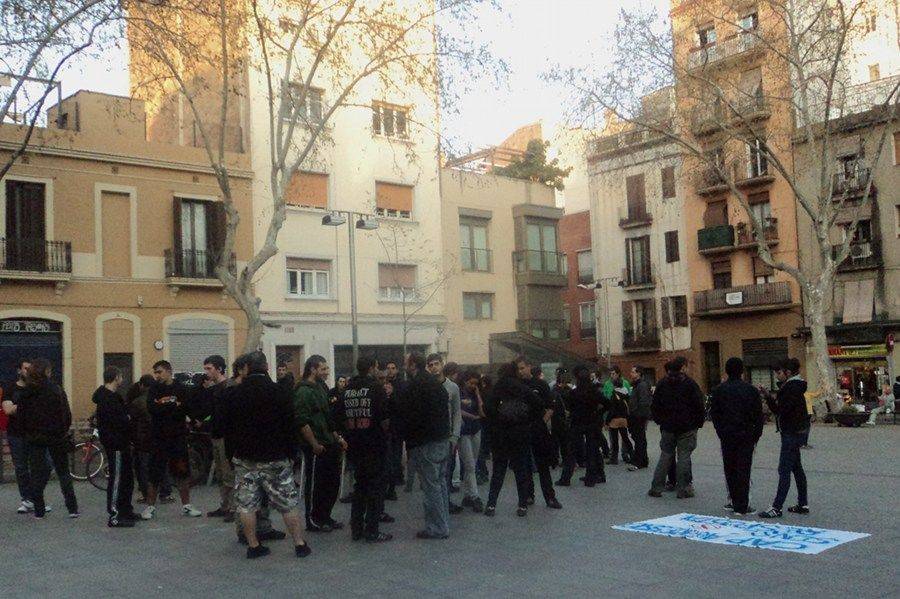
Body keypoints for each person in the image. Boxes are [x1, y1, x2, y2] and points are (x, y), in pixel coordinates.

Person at [216, 351, 311, 559]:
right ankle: (299, 543)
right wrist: (291, 453)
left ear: (246, 369)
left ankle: (253, 545)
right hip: (275, 457)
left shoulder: (233, 394)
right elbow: (291, 425)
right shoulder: (280, 392)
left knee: (247, 505)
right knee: (287, 503)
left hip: (245, 458)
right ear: (266, 368)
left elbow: (220, 428)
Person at [334, 356, 393, 543]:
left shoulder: (347, 390)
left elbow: (336, 417)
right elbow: (385, 418)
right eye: (377, 367)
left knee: (360, 487)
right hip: (374, 445)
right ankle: (372, 530)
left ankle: (356, 528)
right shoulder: (376, 388)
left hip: (354, 445)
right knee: (375, 488)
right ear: (371, 368)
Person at [17, 358, 78, 519]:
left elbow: (21, 417)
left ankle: (39, 511)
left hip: (35, 438)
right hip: (56, 437)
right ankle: (72, 508)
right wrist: (62, 430)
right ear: (47, 372)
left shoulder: (26, 392)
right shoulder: (56, 390)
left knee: (37, 474)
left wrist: (28, 433)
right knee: (63, 472)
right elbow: (66, 414)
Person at [141, 360, 202, 520]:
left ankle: (187, 506)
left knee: (182, 472)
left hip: (177, 439)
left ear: (169, 371)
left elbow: (185, 408)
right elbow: (151, 408)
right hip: (158, 438)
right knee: (154, 473)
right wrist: (171, 407)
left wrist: (167, 408)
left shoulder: (180, 388)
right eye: (155, 373)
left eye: (159, 372)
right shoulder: (154, 389)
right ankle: (150, 507)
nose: (157, 375)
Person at [399, 352, 451, 539]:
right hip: (442, 438)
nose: (404, 365)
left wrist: (408, 440)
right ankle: (443, 522)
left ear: (412, 364)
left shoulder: (416, 386)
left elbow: (412, 416)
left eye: (406, 362)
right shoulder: (435, 383)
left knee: (431, 486)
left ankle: (437, 527)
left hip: (426, 441)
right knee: (440, 482)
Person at [295, 355, 346, 532]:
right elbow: (302, 421)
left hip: (329, 442)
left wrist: (337, 437)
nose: (326, 372)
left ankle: (325, 515)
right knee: (315, 483)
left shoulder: (322, 387)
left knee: (331, 483)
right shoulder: (303, 391)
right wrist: (314, 444)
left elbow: (328, 417)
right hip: (316, 445)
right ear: (313, 369)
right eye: (323, 369)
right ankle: (313, 520)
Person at [709, 358, 764, 515]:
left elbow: (715, 414)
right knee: (744, 469)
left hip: (727, 435)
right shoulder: (751, 390)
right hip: (746, 434)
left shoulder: (719, 390)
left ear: (726, 371)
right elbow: (758, 415)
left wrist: (720, 431)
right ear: (742, 371)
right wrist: (756, 435)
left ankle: (733, 500)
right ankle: (742, 504)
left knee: (730, 468)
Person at [759, 358, 811, 518]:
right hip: (798, 431)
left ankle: (777, 506)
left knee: (784, 469)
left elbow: (780, 410)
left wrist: (768, 397)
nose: (776, 376)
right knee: (797, 468)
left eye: (779, 373)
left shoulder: (789, 388)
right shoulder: (796, 386)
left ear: (788, 373)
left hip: (791, 433)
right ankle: (803, 503)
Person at [483, 361, 536, 517]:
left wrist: (497, 418)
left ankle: (491, 505)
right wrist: (527, 418)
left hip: (500, 434)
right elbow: (538, 404)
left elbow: (487, 408)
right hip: (520, 432)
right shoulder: (522, 387)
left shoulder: (497, 387)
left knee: (499, 470)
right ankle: (522, 505)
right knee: (521, 470)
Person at [648, 357, 705, 499]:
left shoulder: (662, 384)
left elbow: (654, 406)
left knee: (665, 456)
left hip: (667, 427)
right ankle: (684, 488)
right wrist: (698, 423)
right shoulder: (690, 384)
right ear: (683, 368)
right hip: (687, 427)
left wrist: (660, 421)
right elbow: (699, 405)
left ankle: (656, 487)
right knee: (684, 456)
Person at [93, 366, 139, 527]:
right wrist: (126, 420)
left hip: (123, 442)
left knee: (127, 478)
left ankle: (126, 510)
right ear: (116, 377)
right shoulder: (106, 399)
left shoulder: (114, 396)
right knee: (117, 478)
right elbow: (115, 422)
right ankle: (114, 515)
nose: (122, 379)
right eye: (121, 376)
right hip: (116, 443)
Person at [195, 355, 235, 521]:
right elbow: (211, 414)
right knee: (220, 473)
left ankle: (233, 508)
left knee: (228, 474)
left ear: (219, 369)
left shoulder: (228, 388)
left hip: (226, 437)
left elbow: (222, 415)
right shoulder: (214, 389)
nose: (206, 372)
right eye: (205, 369)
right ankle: (225, 505)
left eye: (209, 368)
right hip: (216, 436)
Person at [557, 364, 606, 487]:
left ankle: (565, 478)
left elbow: (569, 407)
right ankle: (592, 477)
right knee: (592, 450)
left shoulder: (573, 393)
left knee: (571, 452)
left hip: (577, 423)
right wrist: (598, 412)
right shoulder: (594, 391)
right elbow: (607, 403)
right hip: (592, 422)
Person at [426, 354, 463, 515]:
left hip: (448, 436)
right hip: (431, 437)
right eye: (431, 365)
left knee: (447, 472)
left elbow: (457, 413)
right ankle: (437, 505)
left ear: (442, 365)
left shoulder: (453, 388)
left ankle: (445, 502)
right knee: (433, 475)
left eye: (436, 364)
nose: (434, 367)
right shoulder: (426, 387)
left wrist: (455, 436)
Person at [523, 363, 562, 509]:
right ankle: (527, 495)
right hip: (522, 429)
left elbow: (551, 407)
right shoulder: (517, 386)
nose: (522, 371)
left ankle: (550, 497)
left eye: (523, 367)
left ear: (529, 368)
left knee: (543, 465)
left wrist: (542, 422)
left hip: (538, 429)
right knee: (525, 465)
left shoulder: (540, 384)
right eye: (519, 368)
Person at [2, 359, 35, 513]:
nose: (28, 371)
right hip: (16, 434)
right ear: (19, 371)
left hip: (35, 433)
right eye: (25, 368)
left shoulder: (35, 389)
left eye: (30, 369)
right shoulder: (10, 389)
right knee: (21, 468)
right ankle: (26, 500)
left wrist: (18, 407)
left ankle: (37, 499)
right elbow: (7, 410)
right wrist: (28, 405)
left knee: (40, 467)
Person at [458, 370, 485, 513]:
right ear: (465, 381)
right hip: (464, 432)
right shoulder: (459, 393)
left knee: (472, 463)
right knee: (469, 464)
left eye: (475, 383)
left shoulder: (475, 393)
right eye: (471, 383)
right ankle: (475, 496)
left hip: (476, 430)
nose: (473, 385)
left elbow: (482, 413)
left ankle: (468, 495)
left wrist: (478, 396)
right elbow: (458, 410)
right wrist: (471, 416)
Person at [601, 366, 630, 463]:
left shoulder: (625, 383)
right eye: (610, 374)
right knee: (613, 437)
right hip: (612, 413)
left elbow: (628, 398)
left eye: (613, 373)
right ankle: (614, 455)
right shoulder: (607, 384)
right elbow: (604, 399)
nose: (611, 375)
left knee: (624, 436)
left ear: (618, 374)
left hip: (619, 414)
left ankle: (625, 454)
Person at [626, 365, 652, 471]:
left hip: (638, 416)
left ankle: (639, 461)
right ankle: (642, 460)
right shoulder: (636, 385)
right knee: (639, 438)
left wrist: (638, 414)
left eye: (633, 372)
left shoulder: (641, 385)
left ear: (639, 373)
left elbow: (643, 401)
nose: (631, 374)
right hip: (636, 415)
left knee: (639, 439)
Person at [606, 382, 633, 465]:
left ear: (614, 385)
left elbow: (612, 409)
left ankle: (614, 459)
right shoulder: (626, 394)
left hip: (614, 420)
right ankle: (632, 454)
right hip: (623, 419)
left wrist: (607, 420)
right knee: (625, 438)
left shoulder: (614, 394)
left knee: (614, 440)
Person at [550, 368, 572, 468]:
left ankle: (555, 460)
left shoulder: (554, 390)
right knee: (565, 442)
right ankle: (566, 460)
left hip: (556, 418)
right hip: (566, 419)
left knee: (556, 441)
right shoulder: (570, 390)